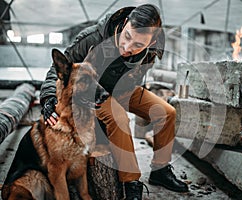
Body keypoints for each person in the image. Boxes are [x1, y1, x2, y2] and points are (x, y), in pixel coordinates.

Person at [40, 4, 188, 200]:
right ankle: (131, 183)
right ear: (125, 23)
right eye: (127, 37)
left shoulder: (153, 49)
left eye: (138, 45)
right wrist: (48, 97)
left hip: (125, 89)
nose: (127, 48)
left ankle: (160, 170)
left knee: (166, 112)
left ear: (151, 41)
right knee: (119, 118)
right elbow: (58, 68)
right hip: (97, 93)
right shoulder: (93, 38)